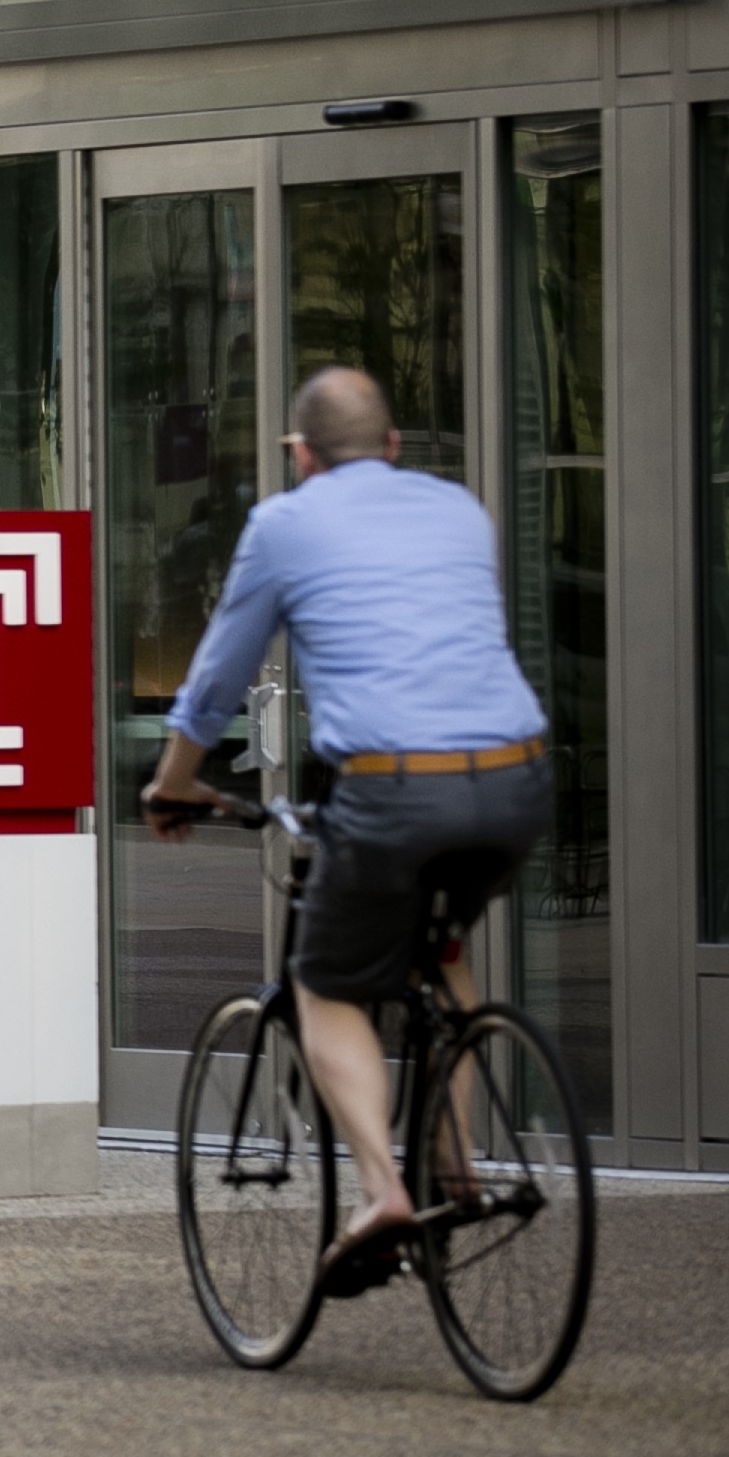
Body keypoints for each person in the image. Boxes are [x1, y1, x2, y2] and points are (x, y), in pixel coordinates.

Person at [144, 365, 551, 1284]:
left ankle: (383, 1194)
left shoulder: (283, 524)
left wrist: (173, 785)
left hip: (394, 789)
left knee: (325, 983)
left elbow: (214, 681)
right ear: (394, 446)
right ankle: (453, 1161)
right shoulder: (458, 511)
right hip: (516, 777)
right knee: (441, 954)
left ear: (299, 457)